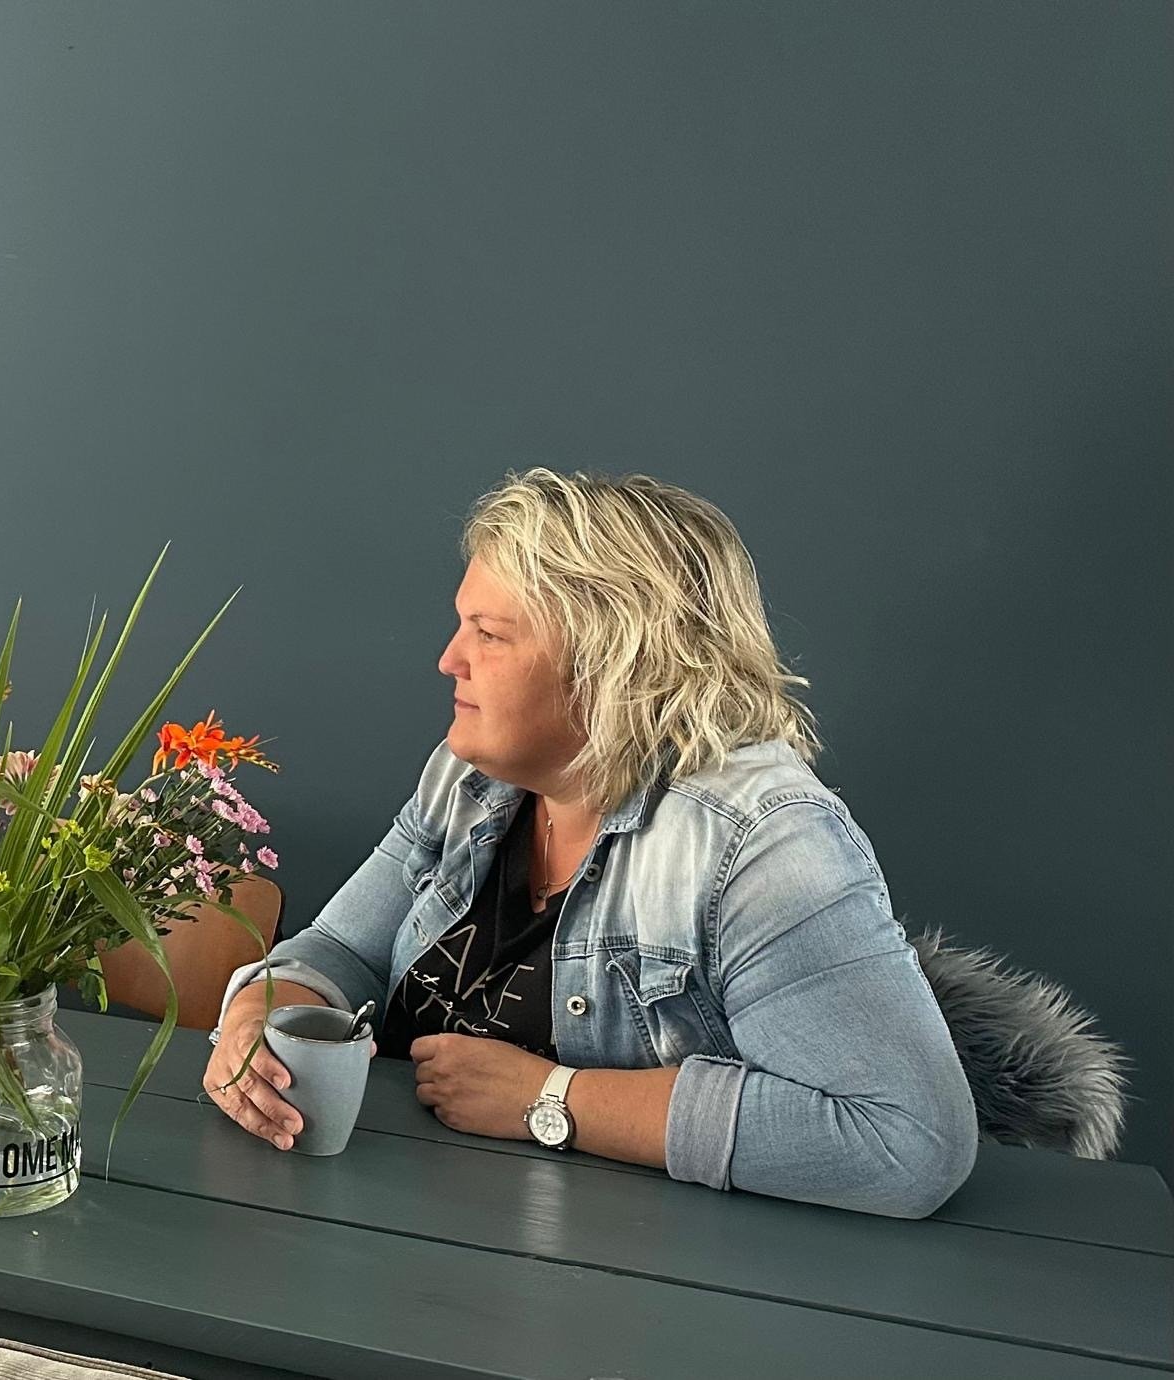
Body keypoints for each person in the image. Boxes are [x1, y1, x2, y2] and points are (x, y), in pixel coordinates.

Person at [203, 468, 978, 1218]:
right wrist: (258, 1015)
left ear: (613, 663)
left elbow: (908, 1142)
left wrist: (552, 1099)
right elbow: (345, 949)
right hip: (384, 1218)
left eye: (490, 634)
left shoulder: (762, 845)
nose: (450, 660)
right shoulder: (471, 777)